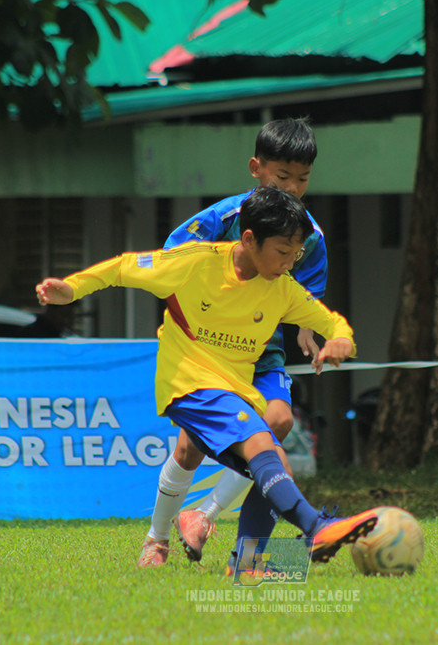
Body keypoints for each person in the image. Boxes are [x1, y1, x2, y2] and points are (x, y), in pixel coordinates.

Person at [35, 188, 378, 570]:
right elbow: (122, 268)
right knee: (261, 442)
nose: (289, 262)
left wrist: (342, 339)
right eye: (283, 251)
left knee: (273, 460)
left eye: (296, 254)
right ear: (248, 239)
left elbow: (328, 320)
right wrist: (73, 289)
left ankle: (246, 565)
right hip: (190, 386)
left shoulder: (282, 289)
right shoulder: (195, 263)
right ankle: (316, 527)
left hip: (235, 393)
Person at [145, 117, 326, 568]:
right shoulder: (222, 219)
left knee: (278, 423)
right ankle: (156, 539)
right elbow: (172, 260)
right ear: (255, 168)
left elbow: (308, 298)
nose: (293, 187)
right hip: (207, 350)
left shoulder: (311, 236)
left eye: (302, 178)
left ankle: (212, 525)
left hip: (262, 352)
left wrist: (308, 330)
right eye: (282, 176)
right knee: (190, 448)